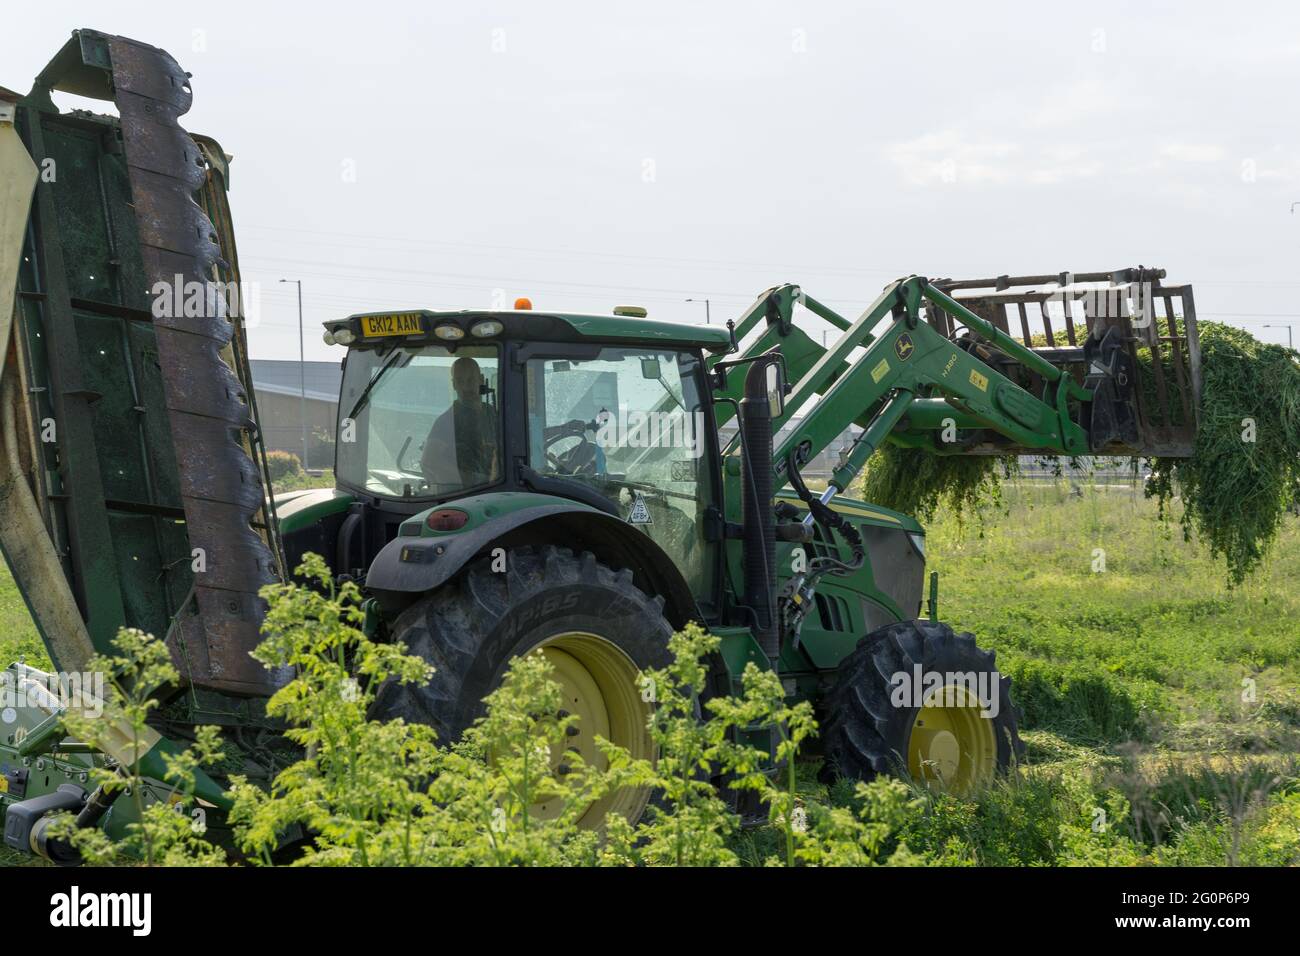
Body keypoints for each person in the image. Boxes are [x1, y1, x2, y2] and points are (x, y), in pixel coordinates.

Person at [420, 356, 497, 489]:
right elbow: (429, 462)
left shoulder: (492, 413)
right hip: (463, 495)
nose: (466, 387)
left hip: (495, 489)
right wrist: (471, 481)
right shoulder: (447, 420)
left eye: (471, 380)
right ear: (454, 385)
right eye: (460, 381)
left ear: (481, 379)